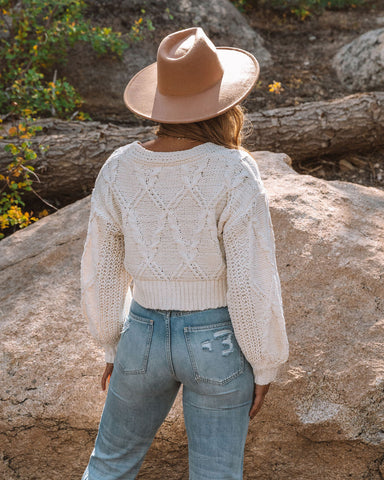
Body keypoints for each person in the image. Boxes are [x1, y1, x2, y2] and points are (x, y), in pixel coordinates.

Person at [80, 27, 289, 480]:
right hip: (217, 340)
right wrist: (265, 361)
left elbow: (101, 268)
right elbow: (251, 277)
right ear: (225, 102)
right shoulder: (234, 171)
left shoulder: (118, 167)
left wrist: (111, 345)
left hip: (142, 333)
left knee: (109, 466)